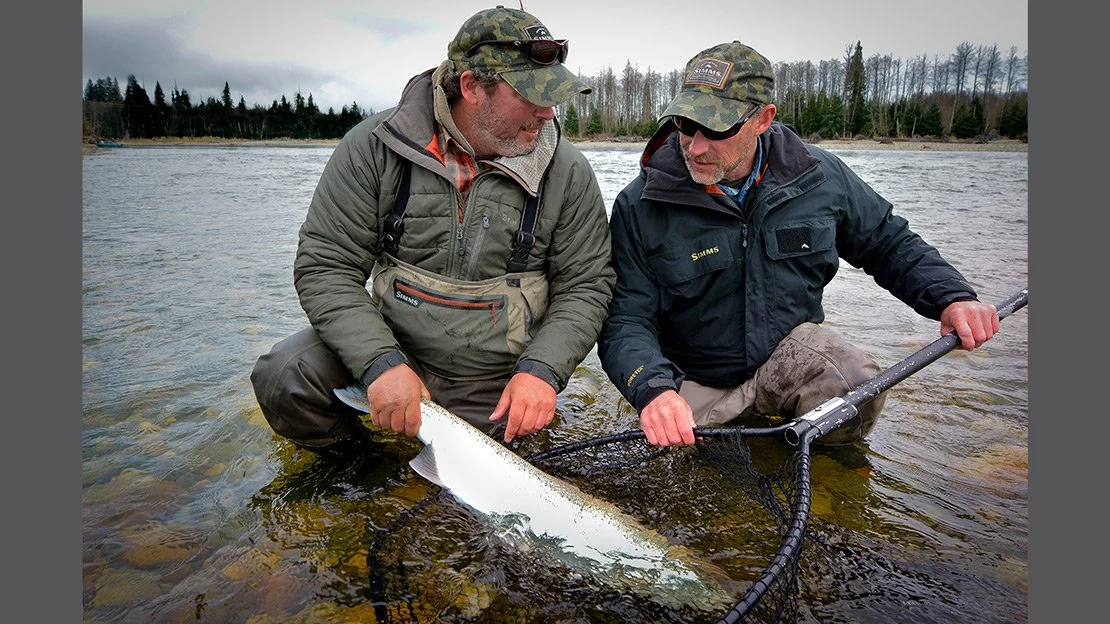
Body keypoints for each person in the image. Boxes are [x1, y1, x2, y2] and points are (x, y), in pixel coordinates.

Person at [597, 41, 1000, 448]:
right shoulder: (640, 203)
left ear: (763, 120)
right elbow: (626, 320)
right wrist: (652, 390)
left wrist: (952, 297)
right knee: (672, 466)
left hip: (785, 361)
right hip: (693, 378)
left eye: (718, 128)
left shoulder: (820, 175)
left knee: (856, 385)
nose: (697, 147)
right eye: (686, 125)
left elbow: (888, 242)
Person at [251, 6, 615, 453]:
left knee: (495, 492)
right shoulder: (373, 147)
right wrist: (380, 364)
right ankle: (361, 471)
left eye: (553, 96)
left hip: (495, 379)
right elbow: (327, 267)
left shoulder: (568, 171)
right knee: (285, 376)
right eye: (531, 95)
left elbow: (587, 286)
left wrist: (541, 371)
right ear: (472, 88)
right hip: (396, 352)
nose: (547, 113)